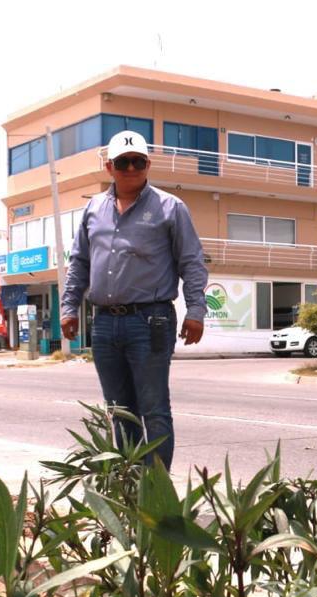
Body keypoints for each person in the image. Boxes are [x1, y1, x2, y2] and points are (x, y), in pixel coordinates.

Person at [61, 130, 207, 468]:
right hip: (104, 323)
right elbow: (79, 262)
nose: (131, 168)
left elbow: (192, 262)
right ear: (110, 167)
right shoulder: (93, 209)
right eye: (123, 162)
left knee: (154, 410)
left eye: (138, 162)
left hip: (151, 321)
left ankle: (155, 496)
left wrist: (196, 310)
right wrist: (69, 307)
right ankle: (129, 491)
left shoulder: (171, 207)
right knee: (118, 410)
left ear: (147, 164)